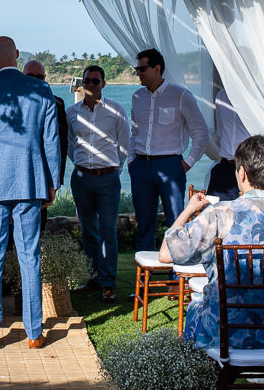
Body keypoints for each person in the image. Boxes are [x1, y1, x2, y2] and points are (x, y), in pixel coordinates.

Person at [160, 134, 264, 349]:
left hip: (226, 333)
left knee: (195, 309)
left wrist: (189, 210)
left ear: (241, 173)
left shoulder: (221, 214)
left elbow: (166, 254)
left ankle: (203, 376)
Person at [0, 36, 60, 349]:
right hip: (29, 180)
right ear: (17, 56)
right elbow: (51, 141)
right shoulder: (41, 90)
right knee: (29, 255)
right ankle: (34, 333)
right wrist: (53, 182)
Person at [129, 48, 209, 251]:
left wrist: (186, 163)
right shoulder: (137, 97)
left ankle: (177, 276)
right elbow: (133, 132)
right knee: (144, 225)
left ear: (157, 68)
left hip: (170, 165)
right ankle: (145, 274)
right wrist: (131, 161)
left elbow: (200, 132)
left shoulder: (181, 95)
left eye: (142, 68)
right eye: (137, 69)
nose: (138, 72)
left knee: (176, 221)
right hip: (141, 166)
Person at [65, 64, 129, 302]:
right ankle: (93, 278)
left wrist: (113, 167)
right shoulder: (72, 112)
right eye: (87, 81)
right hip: (81, 178)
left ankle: (108, 282)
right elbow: (71, 144)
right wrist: (80, 163)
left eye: (95, 81)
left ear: (103, 83)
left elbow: (124, 145)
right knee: (88, 232)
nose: (90, 85)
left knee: (108, 231)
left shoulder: (116, 110)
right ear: (82, 83)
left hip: (108, 179)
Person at [23, 60, 69, 191]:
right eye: (30, 76)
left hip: (43, 176)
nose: (35, 80)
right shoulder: (10, 104)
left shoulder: (57, 104)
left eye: (39, 77)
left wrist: (56, 179)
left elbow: (61, 144)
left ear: (44, 79)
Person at [208, 87, 248, 202]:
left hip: (248, 167)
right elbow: (220, 131)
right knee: (214, 210)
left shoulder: (254, 96)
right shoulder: (221, 96)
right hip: (225, 165)